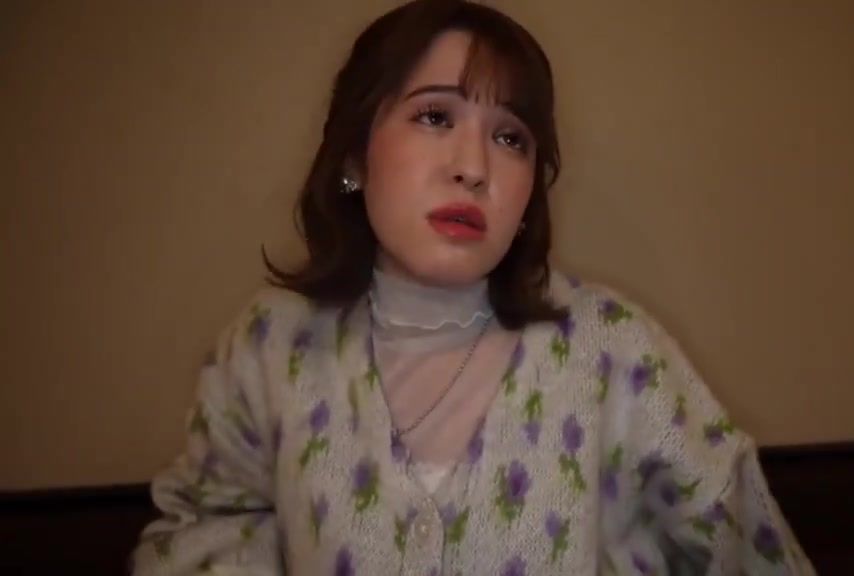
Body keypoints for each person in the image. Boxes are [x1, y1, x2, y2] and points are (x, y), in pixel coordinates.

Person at [130, 0, 814, 574]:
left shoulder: (615, 350)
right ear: (353, 155)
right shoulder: (269, 346)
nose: (474, 167)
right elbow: (205, 534)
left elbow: (747, 545)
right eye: (435, 117)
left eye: (511, 138)